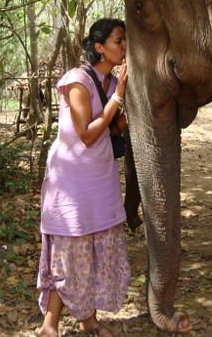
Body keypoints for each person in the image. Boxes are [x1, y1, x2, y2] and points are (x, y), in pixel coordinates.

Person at [37, 18, 130, 337]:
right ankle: (49, 326)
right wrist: (118, 97)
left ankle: (88, 322)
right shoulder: (78, 80)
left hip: (100, 181)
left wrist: (123, 120)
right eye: (119, 41)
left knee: (90, 251)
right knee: (68, 252)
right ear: (100, 47)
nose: (124, 47)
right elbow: (87, 134)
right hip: (72, 184)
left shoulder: (110, 82)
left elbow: (107, 131)